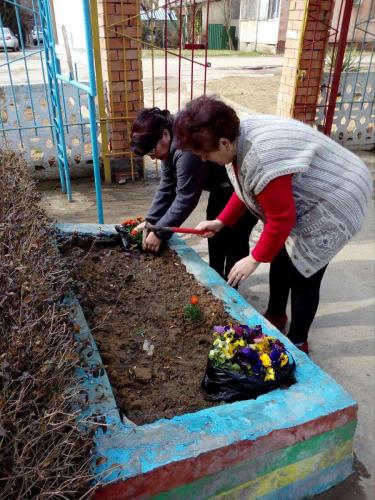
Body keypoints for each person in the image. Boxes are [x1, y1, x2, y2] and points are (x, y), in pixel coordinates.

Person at [173, 96, 372, 353]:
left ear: (222, 143)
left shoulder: (262, 158)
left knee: (304, 273)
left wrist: (253, 258)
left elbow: (281, 219)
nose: (202, 159)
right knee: (280, 253)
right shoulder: (235, 140)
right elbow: (247, 186)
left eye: (204, 154)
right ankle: (277, 315)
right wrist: (222, 221)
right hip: (306, 190)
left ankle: (299, 342)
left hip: (338, 192)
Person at [129, 107, 257, 280]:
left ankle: (232, 288)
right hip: (221, 187)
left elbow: (185, 198)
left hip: (240, 186)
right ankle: (217, 280)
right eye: (148, 155)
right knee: (214, 234)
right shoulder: (170, 143)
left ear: (165, 134)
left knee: (236, 238)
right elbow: (167, 186)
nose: (153, 158)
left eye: (152, 151)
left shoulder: (185, 149)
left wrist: (160, 232)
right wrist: (150, 222)